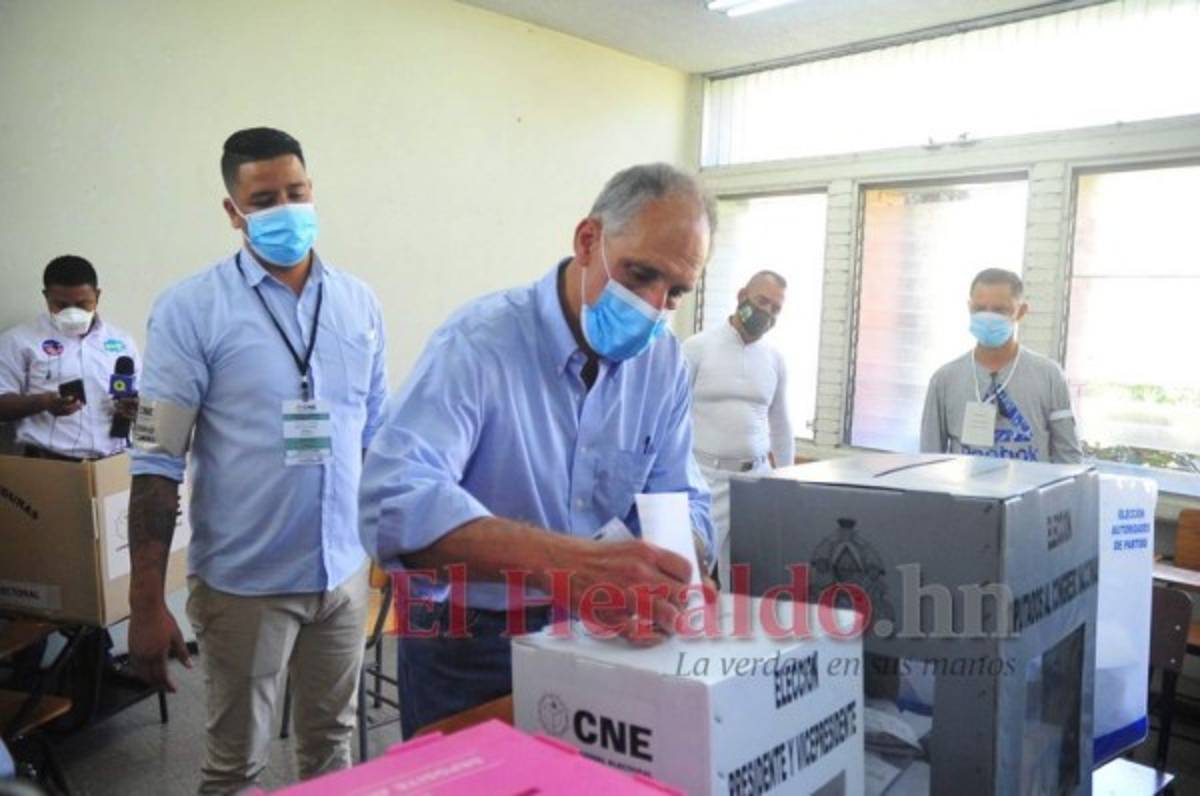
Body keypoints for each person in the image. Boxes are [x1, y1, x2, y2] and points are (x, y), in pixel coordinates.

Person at [359, 163, 717, 737]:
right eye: (640, 274)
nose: (653, 306)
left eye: (675, 292)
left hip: (599, 633)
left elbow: (680, 492)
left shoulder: (663, 364)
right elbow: (392, 502)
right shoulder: (480, 343)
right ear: (588, 240)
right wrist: (571, 567)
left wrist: (679, 567)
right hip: (469, 641)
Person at [126, 127, 388, 794]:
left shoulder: (357, 304)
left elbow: (374, 438)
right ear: (233, 211)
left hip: (341, 574)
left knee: (332, 750)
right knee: (236, 767)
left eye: (296, 192)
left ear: (313, 189)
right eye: (264, 198)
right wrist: (147, 603)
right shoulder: (192, 309)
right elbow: (157, 462)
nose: (286, 209)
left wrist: (391, 544)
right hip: (247, 582)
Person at [683, 270, 794, 587]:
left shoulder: (774, 359)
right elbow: (670, 417)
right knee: (694, 568)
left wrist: (787, 480)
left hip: (756, 479)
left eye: (776, 309)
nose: (767, 313)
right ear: (742, 295)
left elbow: (781, 425)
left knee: (756, 574)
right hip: (706, 478)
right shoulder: (697, 348)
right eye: (762, 301)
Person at [920, 267, 1081, 463]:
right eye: (980, 309)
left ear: (1020, 312)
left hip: (1029, 492)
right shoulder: (944, 380)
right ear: (969, 309)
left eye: (999, 310)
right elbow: (928, 460)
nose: (988, 318)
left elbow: (1069, 458)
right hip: (966, 493)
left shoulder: (1049, 376)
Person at [0, 255, 139, 460]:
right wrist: (44, 402)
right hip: (49, 466)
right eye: (61, 305)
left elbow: (149, 402)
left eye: (82, 304)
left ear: (97, 296)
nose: (72, 313)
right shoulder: (18, 341)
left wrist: (136, 407)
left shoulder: (122, 342)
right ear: (46, 297)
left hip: (115, 464)